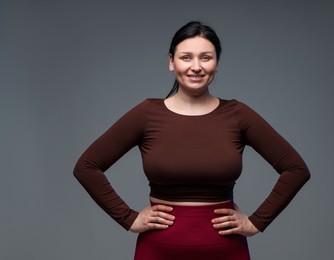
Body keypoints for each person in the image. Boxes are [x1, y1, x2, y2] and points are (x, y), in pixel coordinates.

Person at [73, 21, 310, 259]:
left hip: (225, 249)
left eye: (205, 58)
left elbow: (295, 169)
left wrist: (256, 222)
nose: (196, 67)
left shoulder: (238, 115)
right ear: (171, 61)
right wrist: (128, 218)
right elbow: (87, 166)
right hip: (158, 248)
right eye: (186, 57)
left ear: (216, 63)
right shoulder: (147, 114)